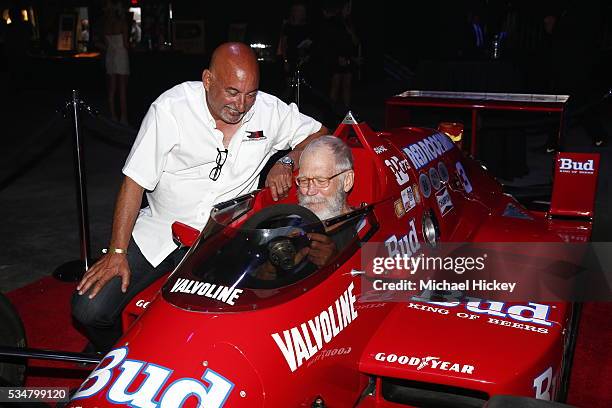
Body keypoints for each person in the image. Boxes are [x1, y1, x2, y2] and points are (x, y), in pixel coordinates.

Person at [72, 42, 328, 352]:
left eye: (250, 94)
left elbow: (321, 134)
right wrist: (116, 252)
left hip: (223, 236)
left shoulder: (268, 110)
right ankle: (118, 353)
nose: (242, 104)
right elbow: (134, 181)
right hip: (161, 229)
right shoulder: (171, 108)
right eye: (232, 92)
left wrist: (287, 160)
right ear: (207, 80)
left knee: (207, 329)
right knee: (89, 309)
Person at [255, 135, 357, 281]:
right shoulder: (282, 228)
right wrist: (271, 269)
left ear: (347, 181)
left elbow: (379, 292)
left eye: (321, 181)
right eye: (303, 181)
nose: (309, 191)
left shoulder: (367, 228)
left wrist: (336, 264)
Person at [103, 0, 130, 124]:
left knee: (112, 88)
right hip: (121, 55)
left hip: (110, 56)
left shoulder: (106, 24)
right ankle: (123, 118)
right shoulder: (122, 23)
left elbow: (105, 44)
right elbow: (125, 44)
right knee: (122, 89)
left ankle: (113, 115)